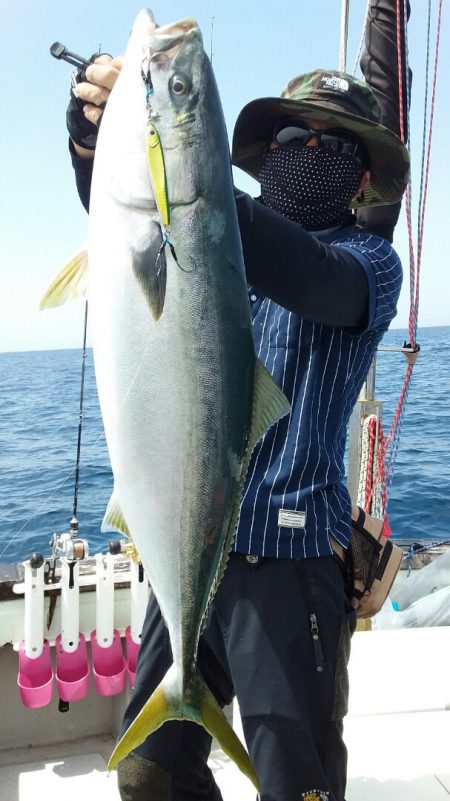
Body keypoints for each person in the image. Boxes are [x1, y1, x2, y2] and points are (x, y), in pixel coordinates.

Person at [66, 6, 410, 801]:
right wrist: (98, 139)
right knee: (152, 771)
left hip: (293, 569)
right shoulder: (214, 243)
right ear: (265, 160)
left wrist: (187, 173)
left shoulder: (365, 263)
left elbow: (302, 272)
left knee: (300, 786)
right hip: (200, 552)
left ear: (364, 180)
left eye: (337, 148)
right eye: (294, 142)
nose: (312, 155)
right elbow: (133, 234)